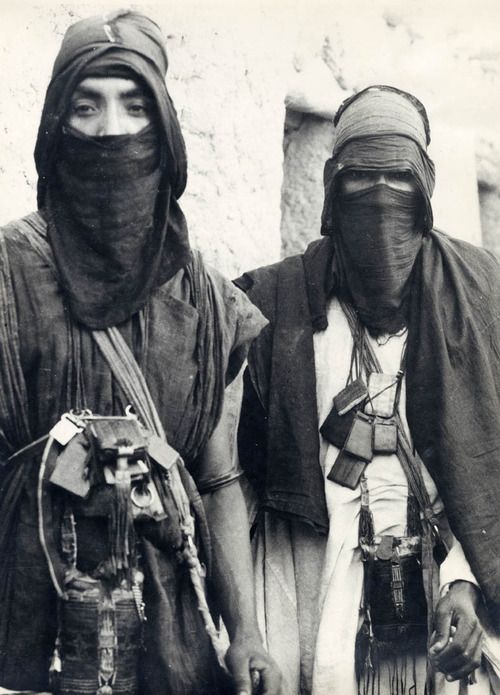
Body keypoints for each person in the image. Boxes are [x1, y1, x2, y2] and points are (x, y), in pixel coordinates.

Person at [0, 10, 281, 695]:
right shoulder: (9, 274)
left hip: (169, 643)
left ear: (165, 128)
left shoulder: (207, 302)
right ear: (55, 126)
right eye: (85, 106)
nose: (111, 130)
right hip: (26, 635)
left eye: (135, 106)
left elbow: (218, 480)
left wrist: (246, 631)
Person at [236, 85, 500, 695]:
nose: (381, 197)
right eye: (360, 179)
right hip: (317, 588)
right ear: (332, 188)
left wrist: (467, 580)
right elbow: (236, 478)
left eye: (399, 178)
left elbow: (491, 468)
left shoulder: (482, 296)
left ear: (425, 189)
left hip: (451, 589)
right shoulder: (275, 305)